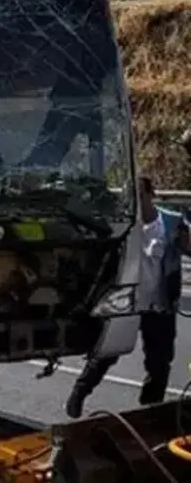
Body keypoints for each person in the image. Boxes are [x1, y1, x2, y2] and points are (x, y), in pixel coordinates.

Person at [66, 176, 191, 418]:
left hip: (159, 304)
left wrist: (185, 241)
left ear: (151, 195)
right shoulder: (121, 223)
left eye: (140, 197)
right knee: (106, 354)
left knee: (159, 362)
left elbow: (189, 249)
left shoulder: (172, 223)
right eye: (130, 197)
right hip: (126, 302)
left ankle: (150, 412)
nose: (136, 203)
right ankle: (79, 393)